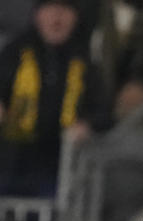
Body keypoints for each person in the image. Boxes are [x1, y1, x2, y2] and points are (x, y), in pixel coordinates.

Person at [0, 0, 109, 196]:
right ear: (37, 15)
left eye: (65, 10)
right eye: (50, 9)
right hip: (12, 159)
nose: (57, 17)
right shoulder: (13, 52)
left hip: (60, 165)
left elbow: (103, 110)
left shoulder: (84, 59)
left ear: (75, 17)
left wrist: (86, 125)